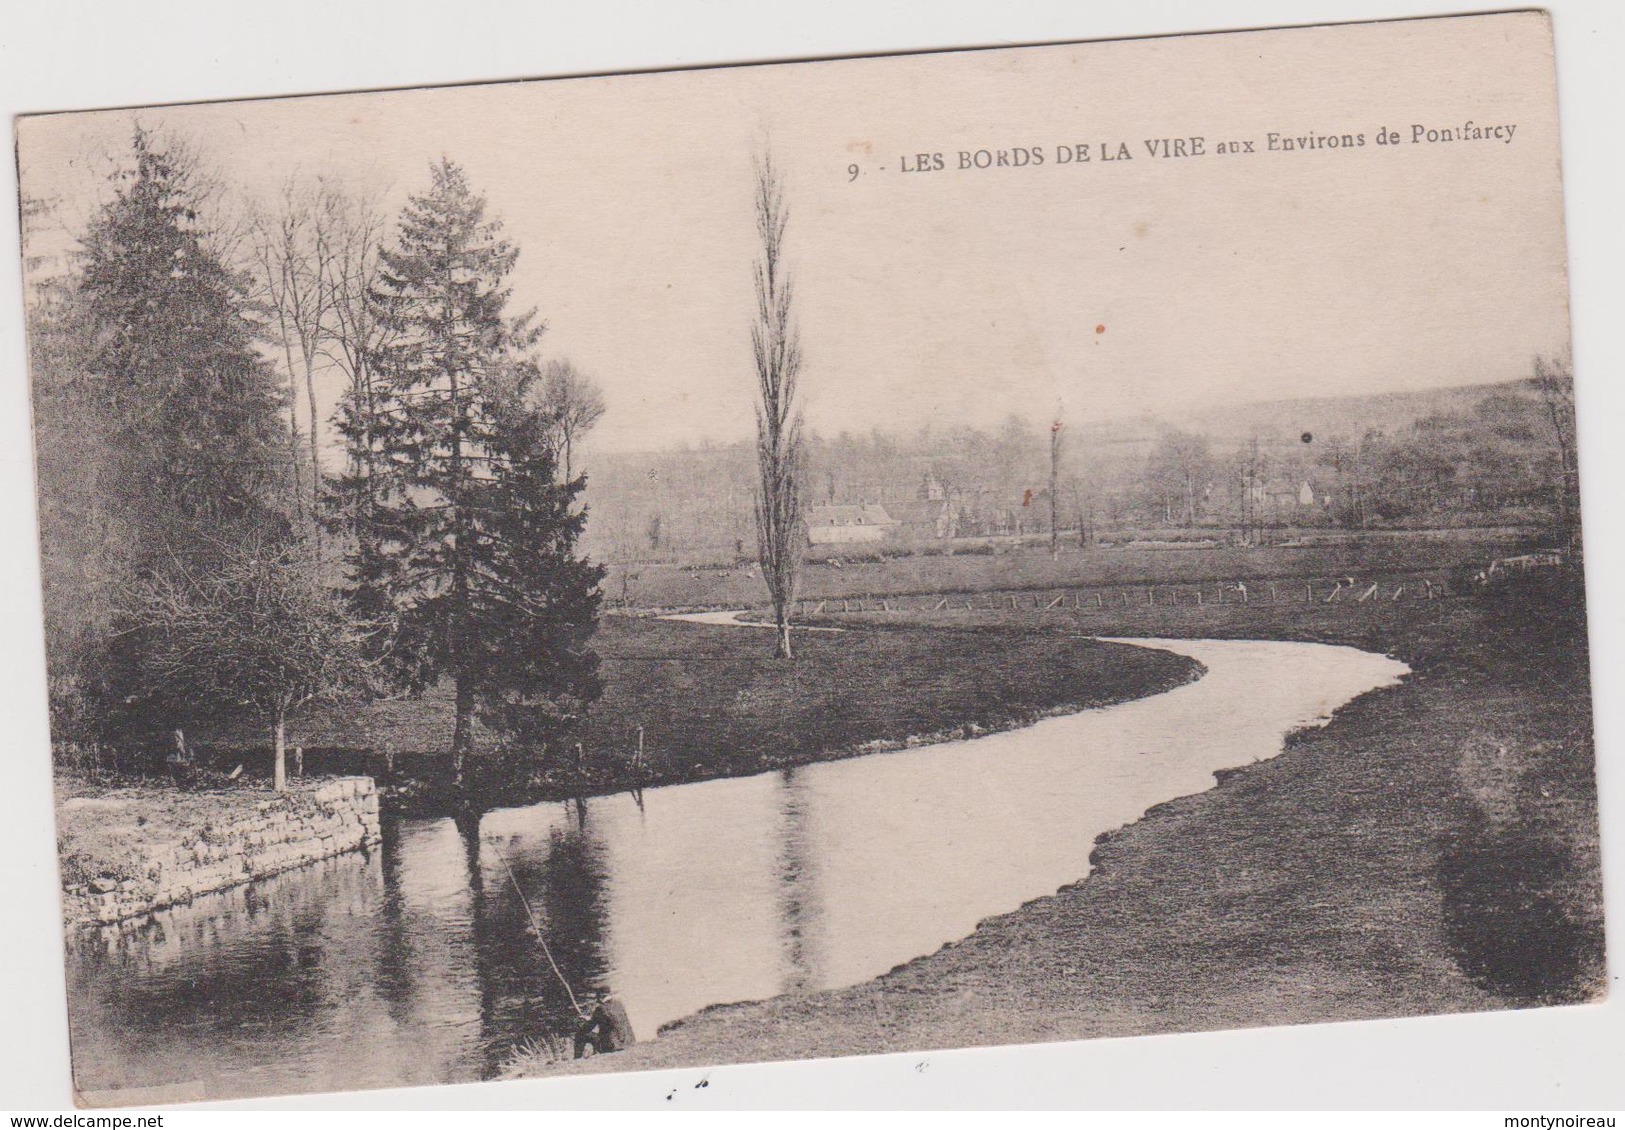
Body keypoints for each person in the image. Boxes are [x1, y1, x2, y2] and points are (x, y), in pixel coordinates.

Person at [573, 988, 635, 1058]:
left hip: (610, 1046)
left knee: (580, 1035)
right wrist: (593, 1018)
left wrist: (586, 1021)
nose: (596, 1000)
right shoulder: (619, 1004)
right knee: (602, 1034)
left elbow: (588, 1028)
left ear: (601, 997)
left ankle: (577, 1058)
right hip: (626, 1043)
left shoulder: (600, 1009)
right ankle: (594, 1052)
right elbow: (613, 1021)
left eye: (597, 998)